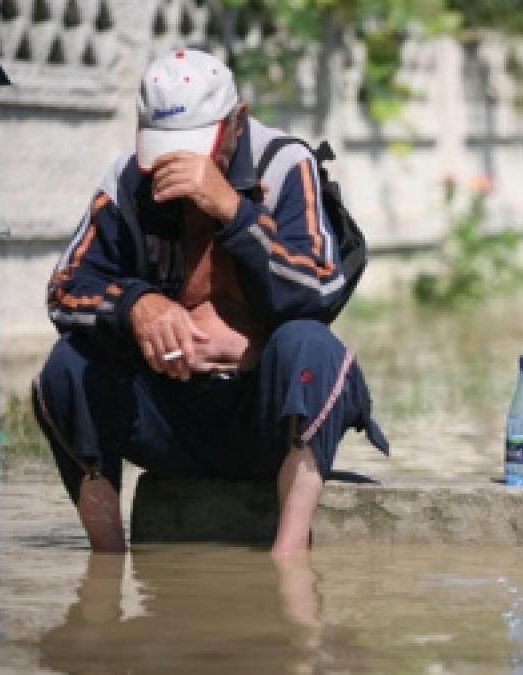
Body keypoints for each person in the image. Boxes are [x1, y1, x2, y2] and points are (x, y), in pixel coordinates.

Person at [32, 48, 388, 557]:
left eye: (197, 146)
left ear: (237, 121)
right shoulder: (128, 180)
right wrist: (136, 305)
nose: (178, 164)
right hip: (171, 420)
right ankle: (107, 563)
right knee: (67, 367)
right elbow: (65, 288)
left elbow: (320, 290)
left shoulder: (286, 163)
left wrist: (233, 212)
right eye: (165, 147)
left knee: (313, 350)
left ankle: (287, 562)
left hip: (264, 419)